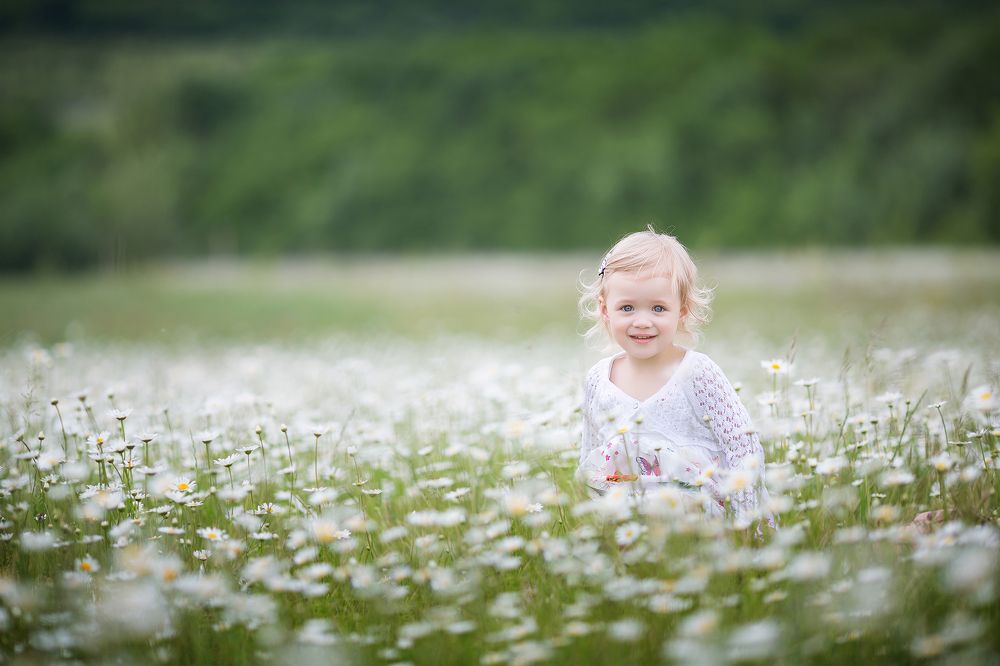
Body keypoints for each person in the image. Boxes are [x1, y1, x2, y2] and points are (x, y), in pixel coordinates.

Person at [576, 226, 774, 532]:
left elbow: (742, 445)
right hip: (630, 529)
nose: (642, 321)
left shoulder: (696, 373)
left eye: (658, 308)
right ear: (605, 311)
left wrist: (748, 520)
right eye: (627, 308)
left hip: (702, 526)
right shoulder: (599, 380)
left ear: (681, 311)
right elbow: (592, 457)